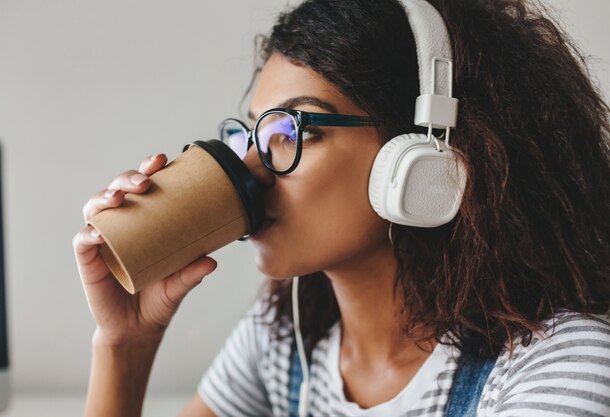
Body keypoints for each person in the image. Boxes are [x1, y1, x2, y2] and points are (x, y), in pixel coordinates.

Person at [72, 0, 610, 416]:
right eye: (255, 132)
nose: (252, 170)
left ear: (421, 157)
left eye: (294, 129)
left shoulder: (560, 365)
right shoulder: (282, 337)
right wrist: (125, 344)